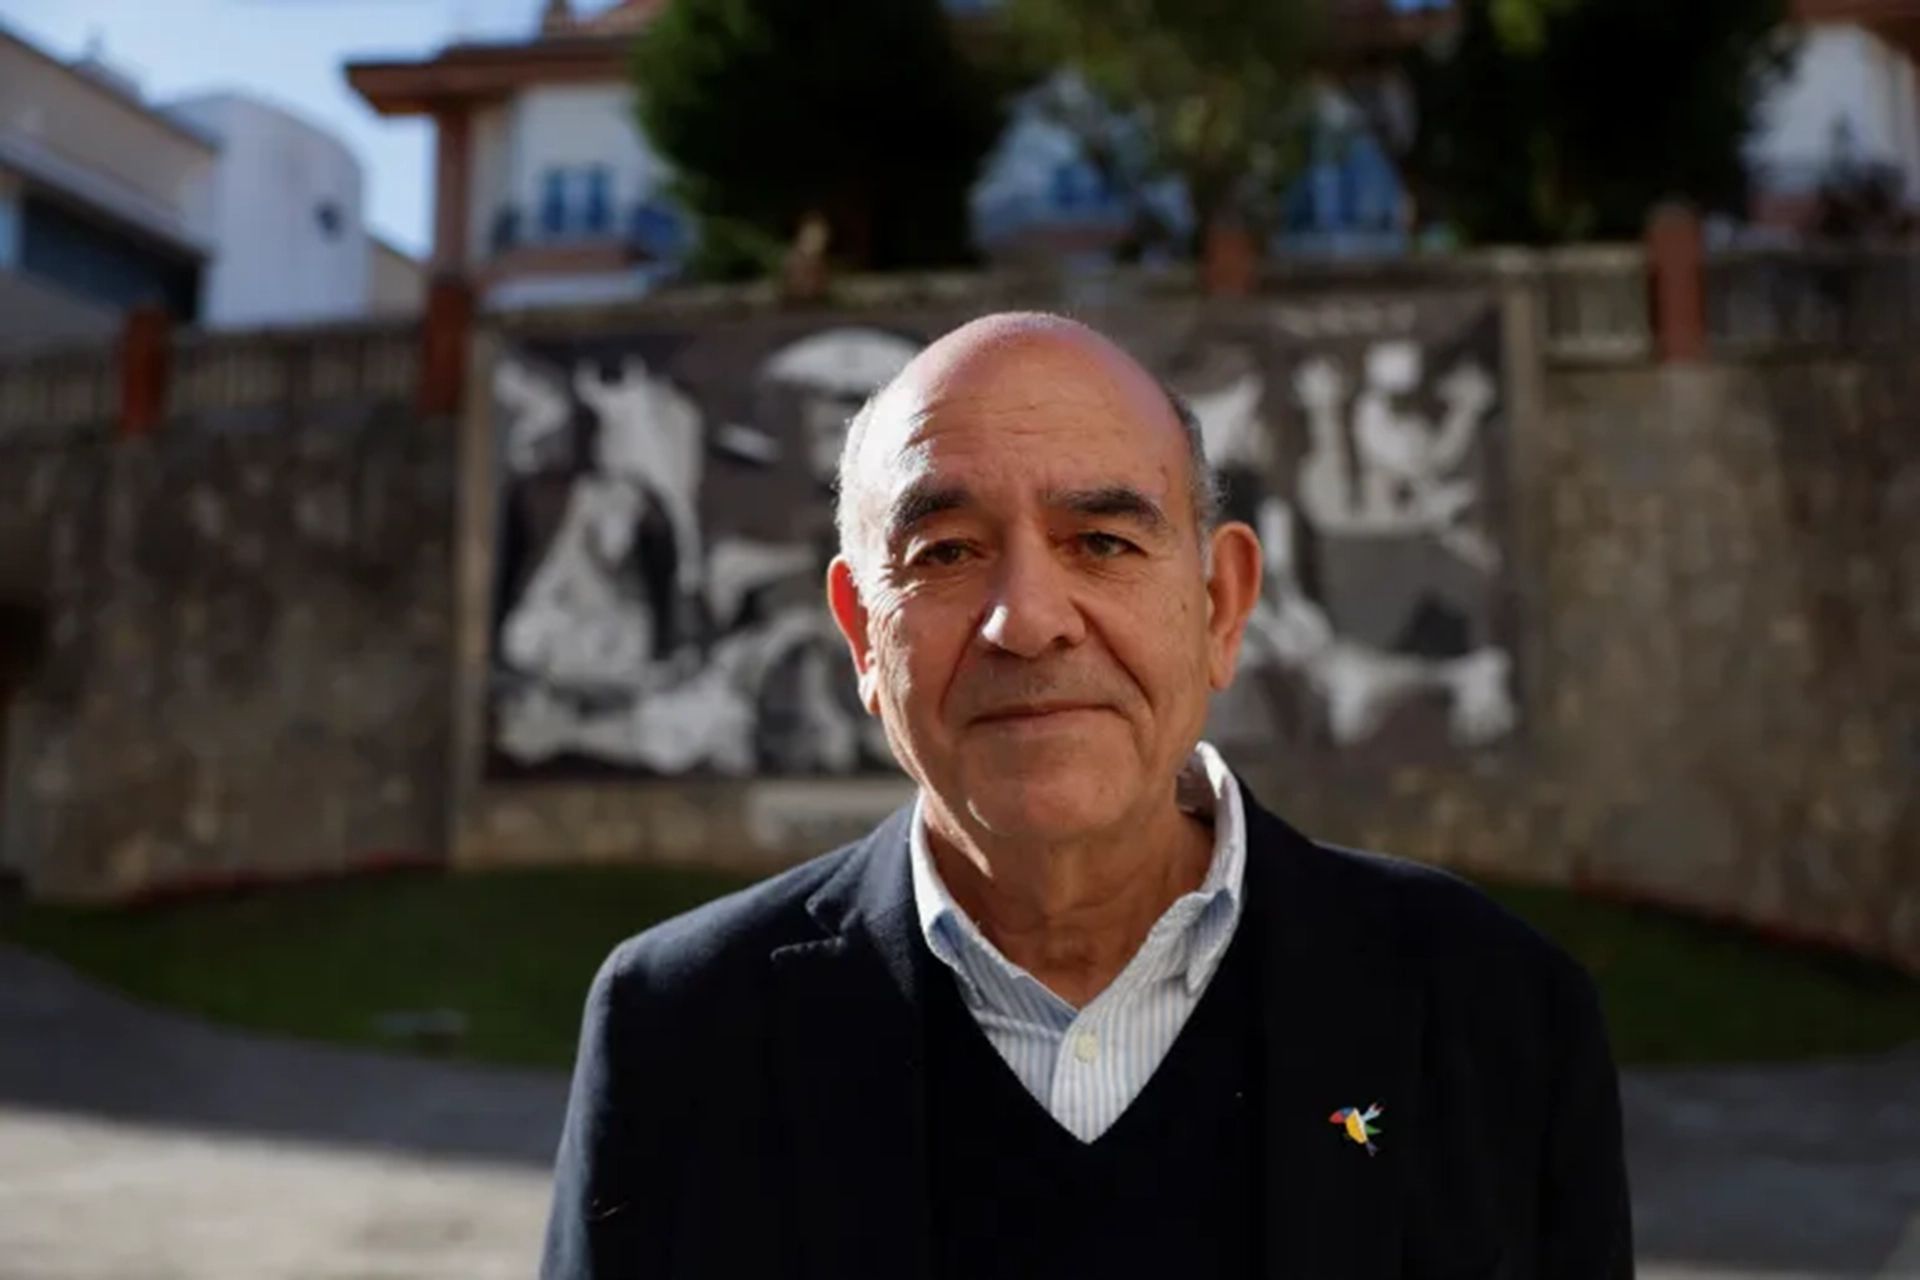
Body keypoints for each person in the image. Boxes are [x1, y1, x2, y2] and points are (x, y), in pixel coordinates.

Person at [541, 313, 1634, 1279]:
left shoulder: (1495, 1012)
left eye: (1103, 542)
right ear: (862, 635)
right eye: (946, 551)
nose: (1028, 620)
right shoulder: (679, 1031)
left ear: (1221, 605)